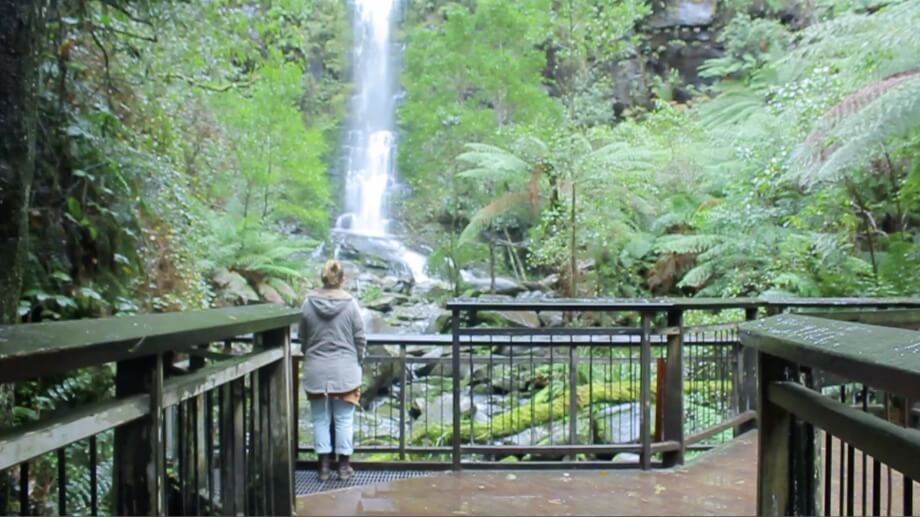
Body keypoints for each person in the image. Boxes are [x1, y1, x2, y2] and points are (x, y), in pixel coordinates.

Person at [299, 259, 366, 481]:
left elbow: (303, 338)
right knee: (344, 419)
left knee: (320, 419)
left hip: (316, 369)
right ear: (342, 279)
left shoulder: (308, 304)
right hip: (346, 369)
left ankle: (324, 468)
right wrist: (359, 360)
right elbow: (360, 339)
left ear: (322, 278)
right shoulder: (351, 304)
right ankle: (344, 468)